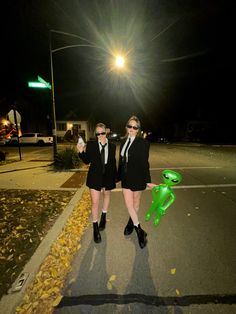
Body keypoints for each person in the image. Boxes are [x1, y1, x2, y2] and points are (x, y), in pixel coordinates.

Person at [118, 116, 155, 249]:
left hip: (138, 177)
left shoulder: (143, 144)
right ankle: (140, 231)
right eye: (130, 126)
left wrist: (148, 181)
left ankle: (130, 223)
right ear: (126, 127)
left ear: (138, 129)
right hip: (126, 178)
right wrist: (117, 176)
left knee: (135, 204)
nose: (132, 129)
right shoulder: (123, 141)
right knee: (129, 205)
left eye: (135, 127)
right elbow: (121, 162)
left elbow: (145, 164)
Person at [77, 123, 117, 243]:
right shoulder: (91, 145)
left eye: (102, 133)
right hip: (95, 176)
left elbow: (112, 163)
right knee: (95, 202)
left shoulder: (113, 146)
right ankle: (95, 227)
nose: (100, 136)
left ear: (106, 132)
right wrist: (80, 152)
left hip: (108, 176)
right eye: (98, 133)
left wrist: (115, 177)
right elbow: (86, 161)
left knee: (107, 195)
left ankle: (103, 216)